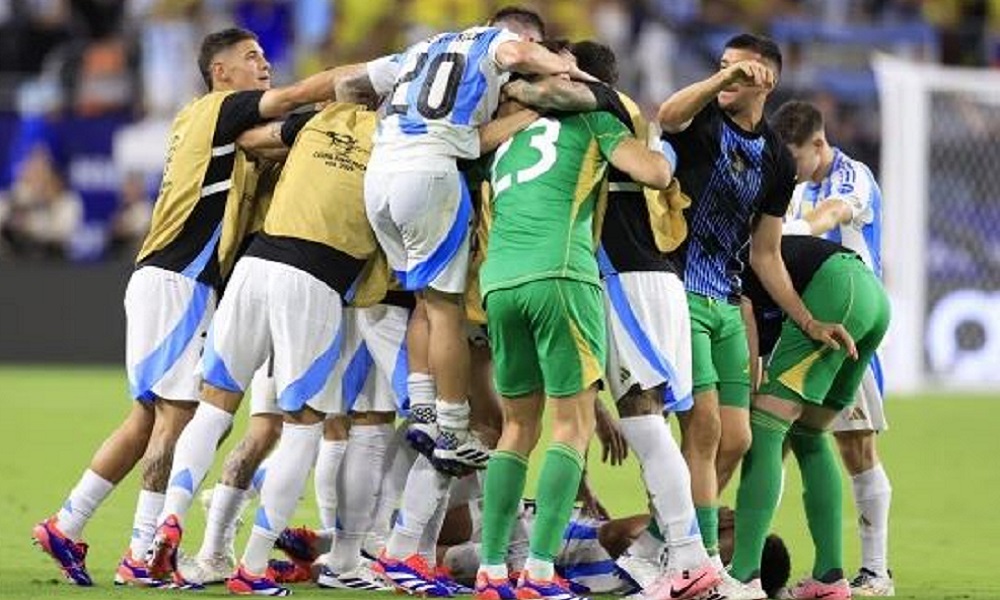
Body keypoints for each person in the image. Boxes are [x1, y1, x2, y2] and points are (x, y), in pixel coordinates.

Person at [32, 26, 367, 588]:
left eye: (264, 55)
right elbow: (289, 102)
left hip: (165, 276)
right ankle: (142, 552)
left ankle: (68, 524)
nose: (264, 64)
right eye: (251, 57)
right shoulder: (218, 108)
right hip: (179, 280)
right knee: (177, 416)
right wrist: (357, 80)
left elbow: (270, 141)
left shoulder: (215, 126)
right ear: (221, 72)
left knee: (148, 418)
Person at [505, 39, 715, 599]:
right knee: (652, 424)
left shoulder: (599, 107)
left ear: (574, 75)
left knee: (643, 422)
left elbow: (651, 172)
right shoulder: (622, 112)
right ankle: (681, 558)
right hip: (657, 277)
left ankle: (691, 560)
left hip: (624, 276)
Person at [655, 33, 853, 599]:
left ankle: (678, 547)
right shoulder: (700, 122)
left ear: (766, 79)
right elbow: (667, 114)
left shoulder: (773, 160)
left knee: (738, 440)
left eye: (738, 70)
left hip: (726, 302)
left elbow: (765, 254)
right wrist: (720, 80)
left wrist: (808, 321)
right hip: (682, 293)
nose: (726, 77)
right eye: (719, 67)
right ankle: (700, 566)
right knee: (705, 431)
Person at [474, 53, 675, 600]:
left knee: (517, 430)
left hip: (499, 283)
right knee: (571, 427)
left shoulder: (504, 138)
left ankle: (492, 570)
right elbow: (657, 173)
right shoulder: (593, 119)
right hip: (563, 274)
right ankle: (539, 572)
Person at [362, 7, 592, 477]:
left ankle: (425, 410)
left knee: (426, 300)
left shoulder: (424, 48)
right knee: (446, 308)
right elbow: (531, 66)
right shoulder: (495, 45)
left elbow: (352, 80)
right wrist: (570, 73)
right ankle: (450, 428)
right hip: (430, 173)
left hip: (381, 172)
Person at [772, 99, 894, 597]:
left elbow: (831, 216)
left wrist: (785, 231)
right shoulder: (793, 183)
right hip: (802, 324)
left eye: (794, 157)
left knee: (856, 445)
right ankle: (753, 559)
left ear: (818, 144)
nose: (789, 168)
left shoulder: (852, 175)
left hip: (847, 323)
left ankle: (875, 571)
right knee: (771, 436)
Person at [730, 235, 887, 600]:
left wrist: (749, 390)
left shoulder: (727, 259)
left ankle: (743, 575)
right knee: (809, 433)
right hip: (871, 297)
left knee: (765, 427)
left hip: (835, 289)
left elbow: (747, 313)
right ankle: (829, 578)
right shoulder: (757, 242)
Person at [0, 145, 82, 260]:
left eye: (42, 169)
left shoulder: (66, 201)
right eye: (32, 168)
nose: (37, 175)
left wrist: (30, 224)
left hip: (51, 262)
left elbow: (62, 232)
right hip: (15, 261)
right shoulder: (13, 196)